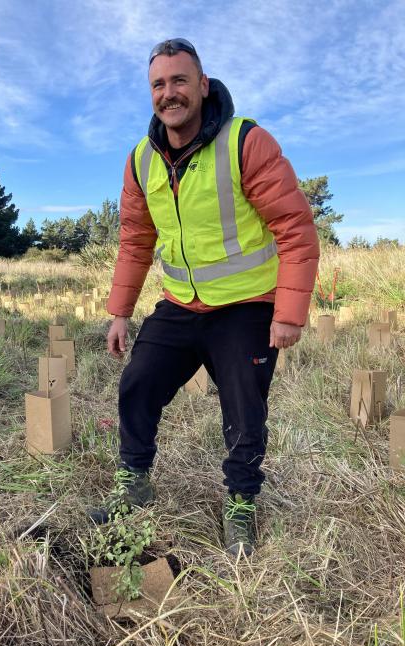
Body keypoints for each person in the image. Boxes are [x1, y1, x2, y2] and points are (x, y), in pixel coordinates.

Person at [89, 38, 320, 557]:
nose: (169, 93)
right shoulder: (140, 161)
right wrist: (120, 312)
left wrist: (289, 314)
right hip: (180, 304)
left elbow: (295, 229)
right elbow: (135, 239)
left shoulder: (246, 142)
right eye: (158, 84)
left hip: (246, 307)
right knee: (138, 383)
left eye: (179, 81)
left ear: (202, 86)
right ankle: (134, 484)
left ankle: (240, 503)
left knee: (244, 407)